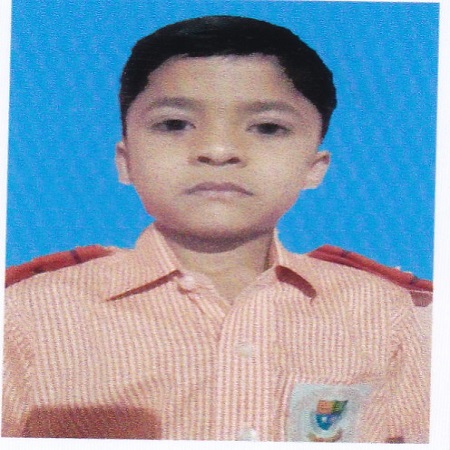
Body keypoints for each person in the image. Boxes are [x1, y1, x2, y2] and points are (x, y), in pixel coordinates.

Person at [2, 15, 431, 442]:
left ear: (314, 168)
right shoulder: (25, 316)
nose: (218, 150)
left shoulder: (384, 314)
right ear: (125, 160)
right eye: (174, 124)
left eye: (268, 127)